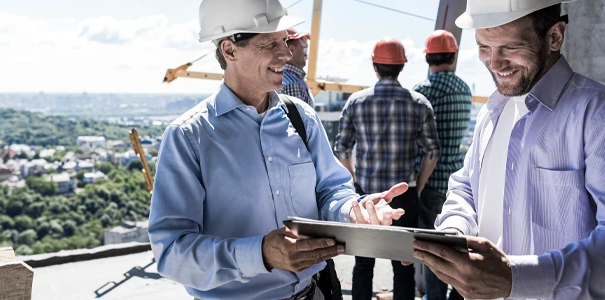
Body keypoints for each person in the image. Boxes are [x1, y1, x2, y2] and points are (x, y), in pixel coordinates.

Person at [148, 1, 410, 299]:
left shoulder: (302, 119)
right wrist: (260, 254)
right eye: (270, 43)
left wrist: (353, 210)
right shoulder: (188, 137)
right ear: (229, 50)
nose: (286, 54)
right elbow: (171, 253)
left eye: (285, 40)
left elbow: (330, 192)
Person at [410, 1, 605, 299]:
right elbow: (467, 186)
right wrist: (454, 231)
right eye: (484, 47)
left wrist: (516, 278)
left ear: (555, 36)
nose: (494, 63)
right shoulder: (493, 111)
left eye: (509, 47)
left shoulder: (604, 117)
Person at [336, 38, 440, 300]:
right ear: (402, 66)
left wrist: (354, 181)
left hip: (366, 197)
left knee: (363, 265)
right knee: (403, 267)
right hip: (405, 195)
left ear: (374, 65)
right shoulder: (419, 103)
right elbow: (432, 152)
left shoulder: (356, 102)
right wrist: (419, 187)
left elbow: (342, 148)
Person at [412, 29, 471, 300]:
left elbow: (417, 142)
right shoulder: (464, 89)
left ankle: (434, 298)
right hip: (458, 179)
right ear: (453, 55)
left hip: (430, 181)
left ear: (427, 58)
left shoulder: (423, 91)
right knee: (456, 247)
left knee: (432, 251)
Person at [277, 28, 316, 107]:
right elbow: (298, 119)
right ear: (291, 50)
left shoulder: (283, 77)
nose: (306, 55)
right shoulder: (293, 84)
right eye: (303, 49)